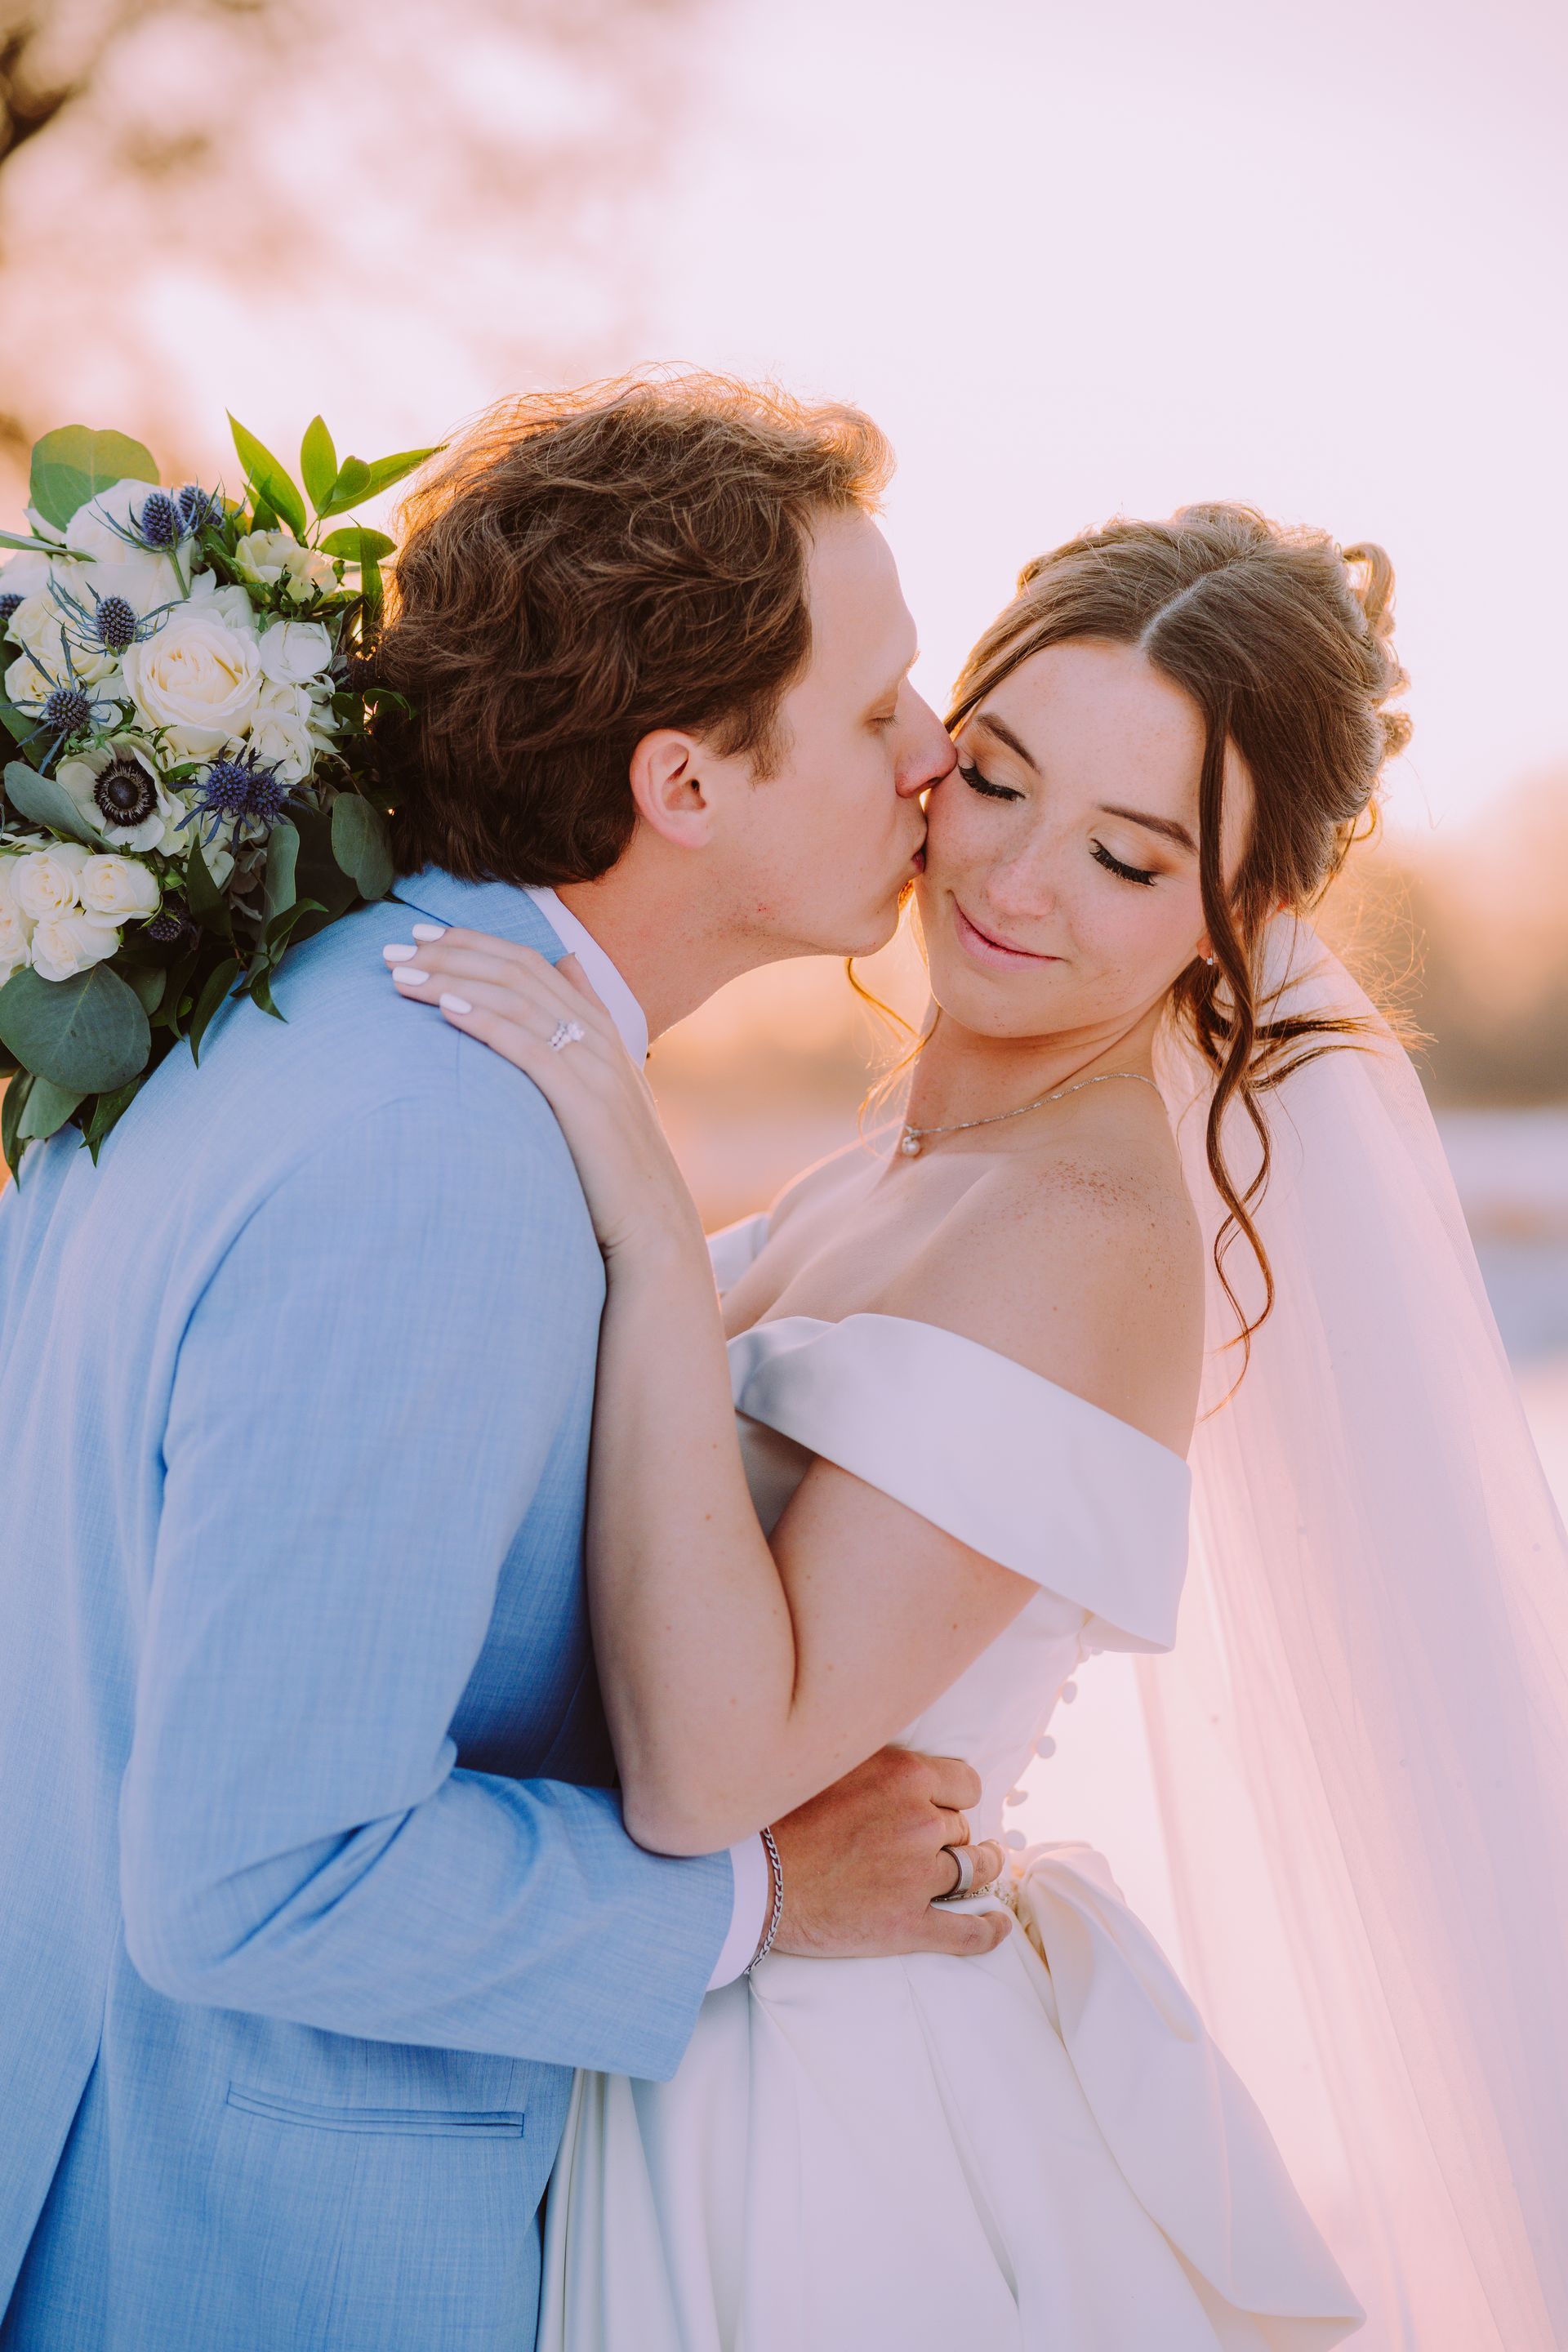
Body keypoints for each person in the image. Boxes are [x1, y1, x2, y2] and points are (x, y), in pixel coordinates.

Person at [385, 505, 1568, 2349]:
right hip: (686, 2032)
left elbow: (713, 1774)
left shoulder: (1083, 1240)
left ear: (1236, 918)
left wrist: (634, 1190)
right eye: (996, 779)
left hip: (827, 2130)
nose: (1013, 882)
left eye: (1124, 855)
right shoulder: (920, 1161)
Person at [0, 377, 1014, 2352]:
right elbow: (259, 1876)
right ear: (685, 784)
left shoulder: (256, 1021)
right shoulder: (436, 1151)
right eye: (880, 702)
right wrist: (757, 1904)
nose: (937, 751)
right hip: (244, 2263)